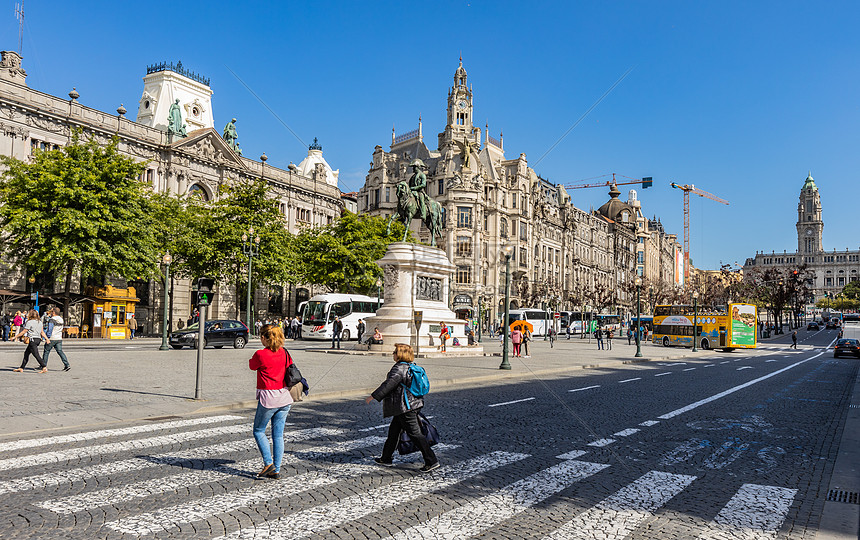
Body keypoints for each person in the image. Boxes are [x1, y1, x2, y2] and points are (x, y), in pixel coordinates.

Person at [365, 343, 439, 472]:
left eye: (395, 352)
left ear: (400, 355)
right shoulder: (411, 366)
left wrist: (373, 396)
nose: (393, 353)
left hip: (405, 407)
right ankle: (386, 458)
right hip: (409, 405)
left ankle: (431, 460)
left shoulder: (399, 368)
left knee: (415, 434)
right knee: (393, 432)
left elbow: (388, 385)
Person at [248, 324, 293, 480]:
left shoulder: (261, 354)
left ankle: (268, 463)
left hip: (269, 398)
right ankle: (277, 469)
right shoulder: (285, 353)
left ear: (264, 338)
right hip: (285, 397)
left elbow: (252, 366)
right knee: (278, 435)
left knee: (258, 430)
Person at [43, 307, 70, 371]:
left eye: (52, 311)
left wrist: (47, 338)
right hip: (59, 338)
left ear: (54, 312)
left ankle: (43, 365)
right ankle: (67, 365)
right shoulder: (61, 319)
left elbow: (50, 329)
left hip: (52, 338)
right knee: (60, 352)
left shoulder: (52, 319)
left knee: (46, 352)